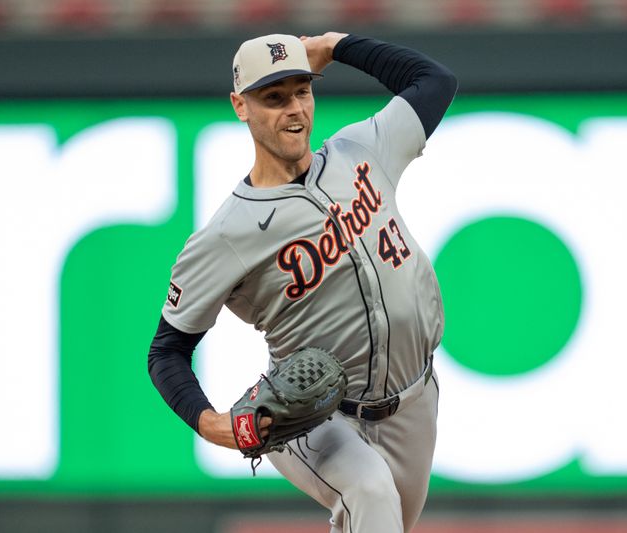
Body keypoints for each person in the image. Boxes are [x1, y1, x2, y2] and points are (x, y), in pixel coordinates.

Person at [148, 31, 457, 533]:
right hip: (313, 416)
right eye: (273, 97)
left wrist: (337, 45)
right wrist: (209, 422)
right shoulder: (226, 234)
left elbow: (434, 81)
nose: (294, 109)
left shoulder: (362, 149)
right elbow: (166, 351)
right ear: (240, 106)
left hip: (414, 401)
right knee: (370, 492)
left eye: (302, 91)